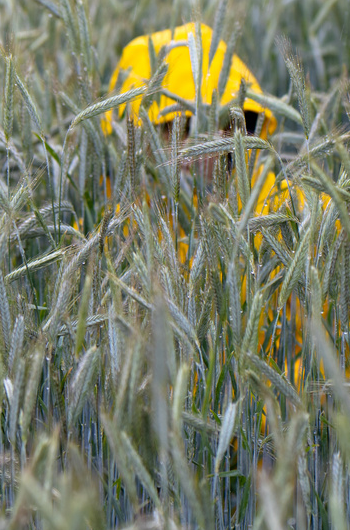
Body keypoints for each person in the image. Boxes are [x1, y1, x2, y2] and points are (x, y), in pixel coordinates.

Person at [100, 22, 334, 398]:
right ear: (133, 135)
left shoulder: (292, 213)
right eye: (178, 127)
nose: (201, 145)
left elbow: (335, 346)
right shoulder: (109, 237)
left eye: (224, 122)